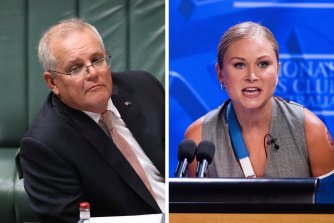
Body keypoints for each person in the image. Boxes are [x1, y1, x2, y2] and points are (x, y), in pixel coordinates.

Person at [19, 18, 165, 223]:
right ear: (53, 82)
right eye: (76, 68)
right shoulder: (45, 144)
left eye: (97, 60)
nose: (93, 73)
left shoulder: (144, 86)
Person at [185, 21, 334, 178]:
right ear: (220, 73)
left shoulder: (311, 130)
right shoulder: (199, 136)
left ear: (277, 69)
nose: (252, 76)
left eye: (263, 64)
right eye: (239, 65)